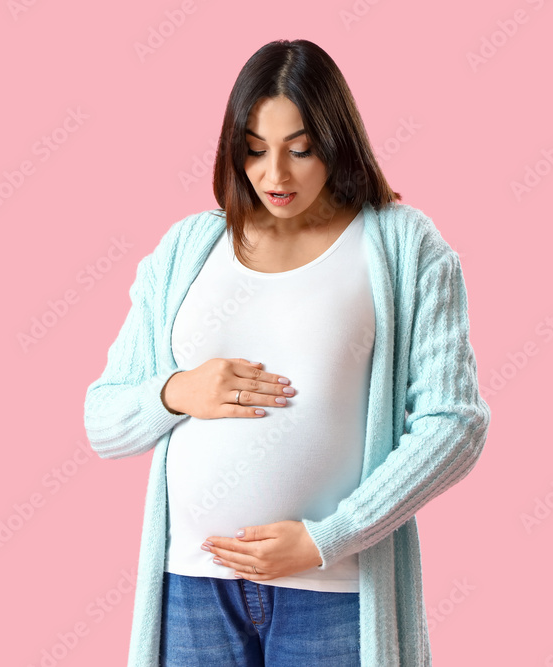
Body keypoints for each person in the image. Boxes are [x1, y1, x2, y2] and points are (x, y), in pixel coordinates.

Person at [83, 38, 491, 667]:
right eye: (254, 150)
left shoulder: (402, 246)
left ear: (337, 141)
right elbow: (103, 418)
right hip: (191, 585)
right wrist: (175, 391)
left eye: (300, 150)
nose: (275, 175)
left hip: (331, 589)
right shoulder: (187, 249)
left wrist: (328, 538)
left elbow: (454, 424)